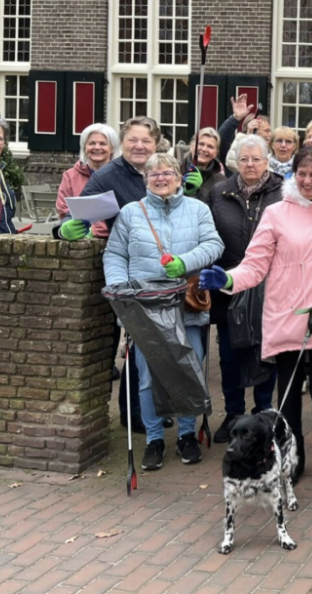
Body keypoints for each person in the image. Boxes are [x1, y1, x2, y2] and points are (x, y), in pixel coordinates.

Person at [200, 146, 312, 487]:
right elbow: (256, 263)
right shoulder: (276, 213)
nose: (308, 180)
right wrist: (229, 279)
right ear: (293, 176)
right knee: (288, 394)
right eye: (301, 174)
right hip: (287, 312)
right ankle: (293, 455)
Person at [103, 153, 224, 470]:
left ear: (179, 176)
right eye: (153, 173)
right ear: (145, 179)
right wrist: (120, 291)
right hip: (144, 308)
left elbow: (214, 245)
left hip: (185, 306)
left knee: (188, 371)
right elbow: (115, 255)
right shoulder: (131, 213)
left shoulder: (198, 209)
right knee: (147, 378)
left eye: (167, 172)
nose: (160, 177)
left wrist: (186, 262)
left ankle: (186, 435)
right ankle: (154, 439)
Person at [202, 135, 282, 443]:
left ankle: (263, 412)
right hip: (229, 284)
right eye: (244, 159)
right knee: (229, 355)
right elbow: (208, 235)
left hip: (270, 286)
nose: (250, 165)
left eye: (256, 159)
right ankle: (234, 414)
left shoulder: (283, 192)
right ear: (237, 161)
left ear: (267, 162)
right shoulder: (219, 191)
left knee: (266, 352)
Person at [59, 116, 161, 239]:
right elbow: (77, 215)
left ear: (156, 145)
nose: (139, 146)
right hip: (131, 253)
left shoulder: (169, 170)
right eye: (132, 140)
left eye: (146, 141)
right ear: (122, 144)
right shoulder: (106, 177)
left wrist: (189, 192)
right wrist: (63, 230)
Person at [56, 123, 120, 219]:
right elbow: (63, 209)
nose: (97, 147)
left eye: (102, 143)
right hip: (80, 231)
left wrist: (97, 229)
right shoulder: (70, 176)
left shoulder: (122, 175)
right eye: (92, 143)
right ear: (84, 147)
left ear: (112, 149)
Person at [182, 127, 226, 201]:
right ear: (192, 145)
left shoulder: (222, 182)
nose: (204, 149)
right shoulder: (175, 172)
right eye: (201, 144)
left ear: (215, 153)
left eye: (210, 147)